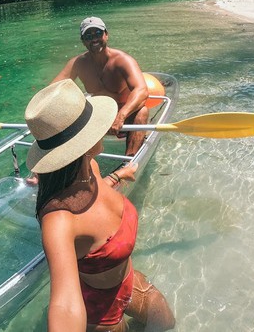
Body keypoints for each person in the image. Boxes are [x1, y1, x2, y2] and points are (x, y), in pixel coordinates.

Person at [25, 79, 176, 332]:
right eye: (94, 125)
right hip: (98, 311)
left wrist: (117, 176)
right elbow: (65, 305)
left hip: (128, 281)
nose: (104, 126)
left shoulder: (90, 168)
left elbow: (93, 198)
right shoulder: (58, 221)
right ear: (77, 146)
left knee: (167, 324)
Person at [52, 17, 149, 157]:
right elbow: (53, 89)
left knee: (142, 111)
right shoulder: (78, 63)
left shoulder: (122, 60)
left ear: (106, 34)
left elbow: (141, 90)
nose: (94, 39)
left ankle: (128, 162)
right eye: (88, 36)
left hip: (125, 113)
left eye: (98, 33)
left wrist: (121, 116)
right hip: (100, 113)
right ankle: (62, 164)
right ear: (83, 41)